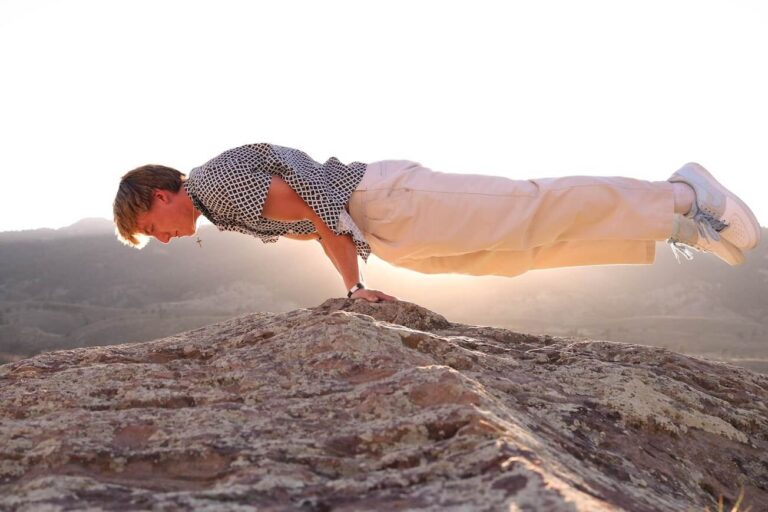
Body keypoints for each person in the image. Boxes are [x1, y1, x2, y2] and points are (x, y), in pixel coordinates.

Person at [113, 143, 762, 303]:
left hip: (384, 201)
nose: (160, 237)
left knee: (527, 208)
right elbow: (318, 222)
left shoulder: (215, 187)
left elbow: (318, 211)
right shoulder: (217, 208)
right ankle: (678, 228)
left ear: (163, 191)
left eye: (151, 223)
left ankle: (680, 194)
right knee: (514, 251)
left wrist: (352, 291)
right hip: (385, 227)